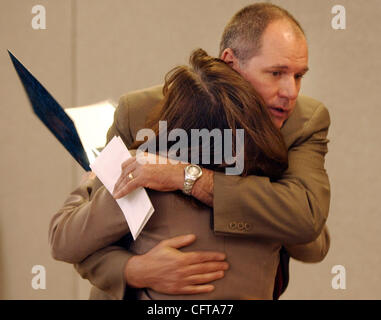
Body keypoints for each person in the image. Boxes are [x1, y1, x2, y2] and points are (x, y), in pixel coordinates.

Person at [50, 3, 331, 299]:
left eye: (299, 75)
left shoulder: (302, 122)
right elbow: (311, 235)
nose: (291, 92)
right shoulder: (140, 116)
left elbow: (308, 224)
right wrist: (134, 270)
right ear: (231, 64)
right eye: (276, 73)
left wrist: (184, 176)